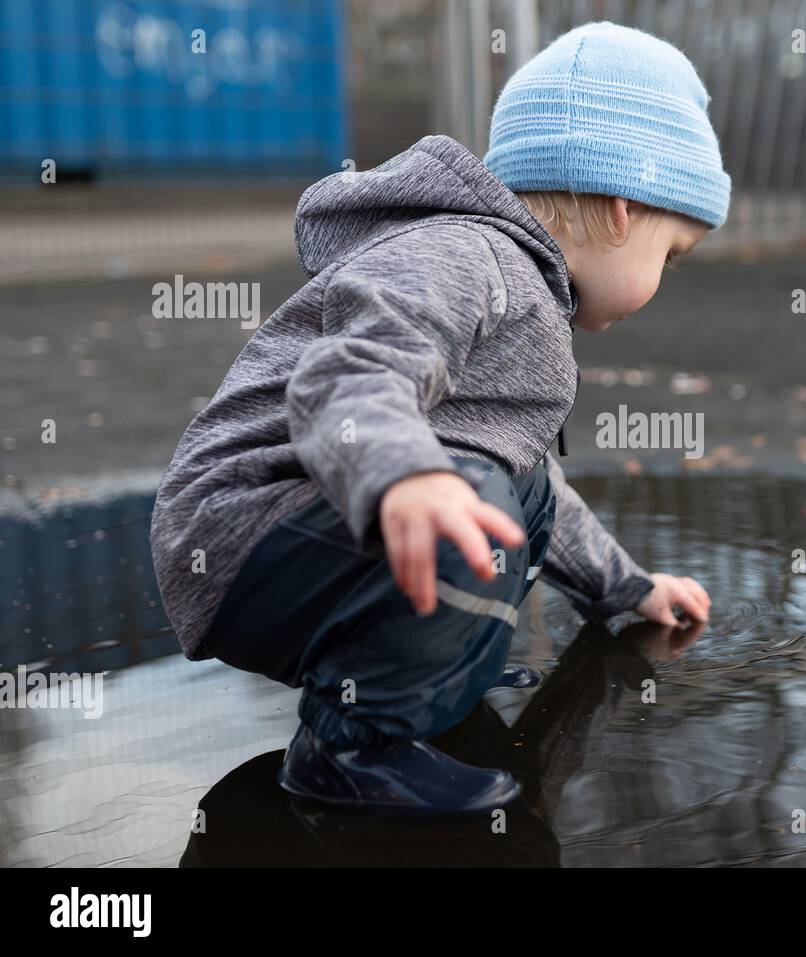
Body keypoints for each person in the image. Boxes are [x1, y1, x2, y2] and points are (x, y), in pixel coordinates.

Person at [149, 21, 728, 818]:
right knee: (475, 491)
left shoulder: (517, 280)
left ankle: (421, 676)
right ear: (623, 208)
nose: (666, 277)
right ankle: (353, 747)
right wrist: (405, 475)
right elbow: (345, 374)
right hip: (243, 526)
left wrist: (627, 586)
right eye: (674, 254)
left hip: (303, 522)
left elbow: (540, 491)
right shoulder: (466, 258)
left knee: (513, 487)